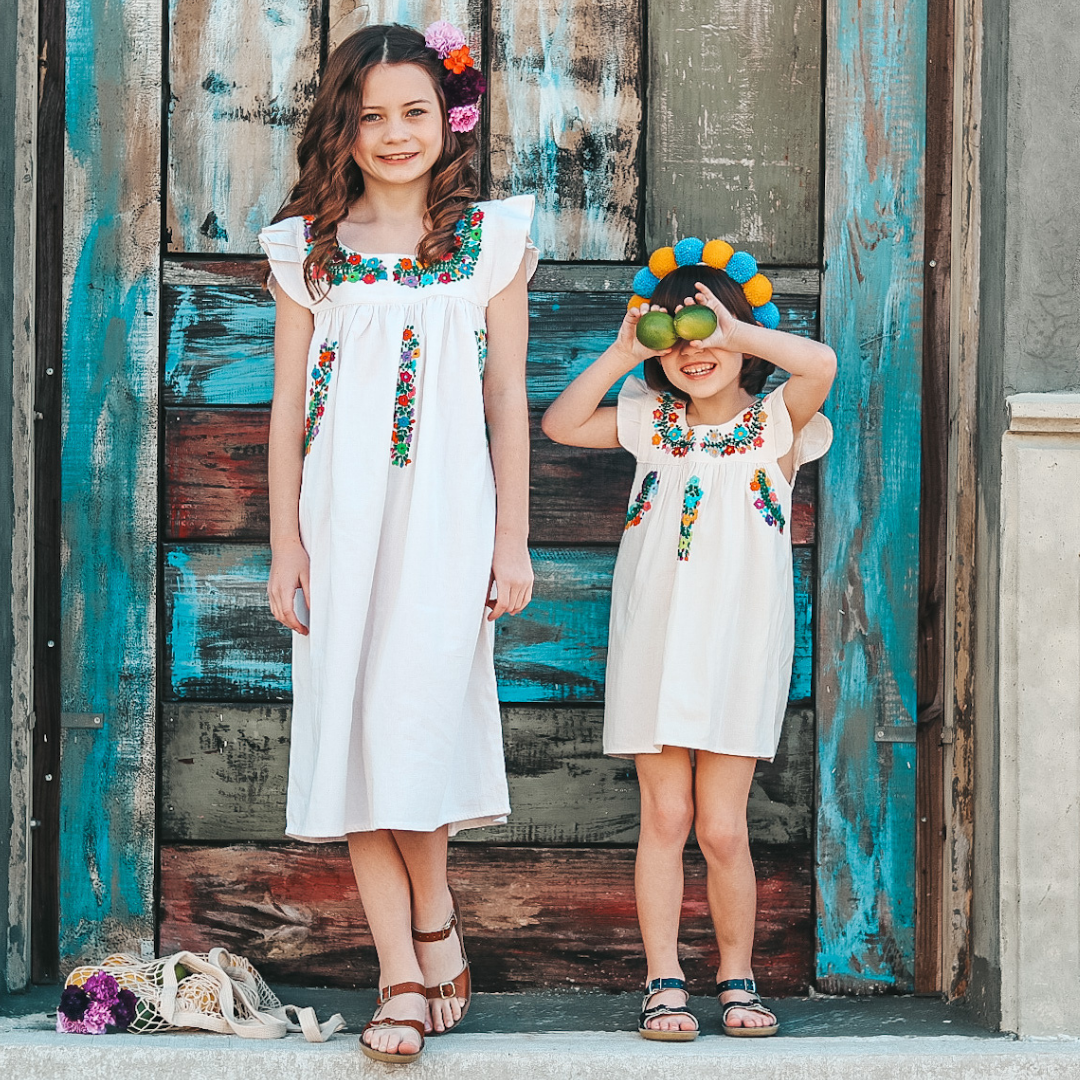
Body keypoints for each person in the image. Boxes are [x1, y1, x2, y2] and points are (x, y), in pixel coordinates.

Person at [259, 21, 536, 1064]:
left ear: (448, 119)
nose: (393, 132)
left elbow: (508, 395)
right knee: (352, 728)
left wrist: (512, 538)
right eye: (371, 115)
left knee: (417, 719)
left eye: (414, 111)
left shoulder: (493, 244)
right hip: (340, 520)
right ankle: (404, 973)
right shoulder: (307, 251)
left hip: (450, 519)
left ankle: (433, 907)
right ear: (345, 126)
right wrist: (285, 545)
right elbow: (287, 413)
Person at [542, 241, 835, 1040]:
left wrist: (733, 332)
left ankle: (738, 976)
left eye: (708, 334)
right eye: (677, 340)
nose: (694, 351)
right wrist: (623, 351)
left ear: (743, 342)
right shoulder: (650, 425)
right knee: (666, 818)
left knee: (722, 826)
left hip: (738, 646)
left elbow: (820, 362)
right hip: (656, 644)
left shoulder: (775, 427)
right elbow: (561, 423)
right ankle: (664, 978)